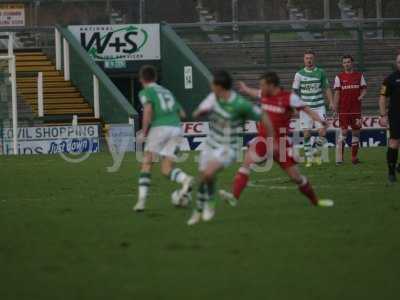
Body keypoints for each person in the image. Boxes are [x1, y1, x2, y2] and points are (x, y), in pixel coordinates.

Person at [220, 72, 334, 208]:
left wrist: (321, 121)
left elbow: (307, 111)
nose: (261, 88)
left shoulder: (290, 98)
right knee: (246, 164)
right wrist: (245, 89)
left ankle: (316, 201)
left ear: (271, 85)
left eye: (263, 85)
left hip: (281, 144)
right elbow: (255, 92)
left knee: (296, 178)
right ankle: (234, 197)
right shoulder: (264, 94)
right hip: (263, 140)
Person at [187, 70, 273, 226]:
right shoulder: (212, 98)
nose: (211, 87)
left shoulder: (241, 104)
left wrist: (272, 138)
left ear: (220, 87)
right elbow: (196, 113)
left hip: (228, 148)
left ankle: (204, 208)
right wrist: (201, 112)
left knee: (208, 173)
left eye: (212, 85)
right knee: (205, 177)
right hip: (210, 144)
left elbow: (263, 116)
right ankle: (204, 207)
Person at [134, 65, 193, 212]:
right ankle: (185, 179)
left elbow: (147, 110)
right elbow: (183, 114)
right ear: (155, 78)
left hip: (160, 127)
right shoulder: (167, 91)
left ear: (141, 79)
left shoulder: (146, 91)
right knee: (166, 169)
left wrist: (144, 131)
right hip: (176, 128)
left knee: (147, 163)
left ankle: (141, 202)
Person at [292, 50, 334, 167]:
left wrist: (331, 101)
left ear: (314, 59)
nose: (309, 60)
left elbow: (327, 88)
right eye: (307, 58)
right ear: (304, 60)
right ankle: (309, 158)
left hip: (319, 107)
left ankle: (315, 152)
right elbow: (294, 92)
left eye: (310, 58)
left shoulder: (321, 72)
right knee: (306, 134)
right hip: (305, 109)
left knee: (322, 131)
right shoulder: (299, 74)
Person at [333, 55, 367, 165]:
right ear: (342, 64)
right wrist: (335, 108)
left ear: (352, 63)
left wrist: (362, 95)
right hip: (344, 110)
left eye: (348, 62)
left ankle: (353, 158)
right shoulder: (339, 77)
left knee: (356, 133)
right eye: (344, 62)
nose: (346, 64)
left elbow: (364, 89)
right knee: (343, 132)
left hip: (356, 110)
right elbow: (337, 93)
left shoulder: (359, 75)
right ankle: (339, 158)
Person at [379, 53, 400, 183]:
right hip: (396, 115)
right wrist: (383, 115)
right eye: (399, 62)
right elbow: (382, 98)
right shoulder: (390, 79)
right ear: (396, 63)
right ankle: (391, 172)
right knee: (394, 142)